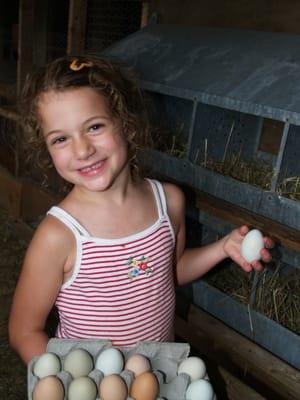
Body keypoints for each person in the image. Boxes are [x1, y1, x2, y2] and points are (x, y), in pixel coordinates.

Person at [9, 55, 273, 364]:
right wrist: (60, 383)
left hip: (157, 374)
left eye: (94, 126)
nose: (82, 150)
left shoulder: (169, 203)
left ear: (124, 121)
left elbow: (167, 273)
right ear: (45, 147)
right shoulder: (59, 236)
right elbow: (24, 331)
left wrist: (223, 249)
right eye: (61, 139)